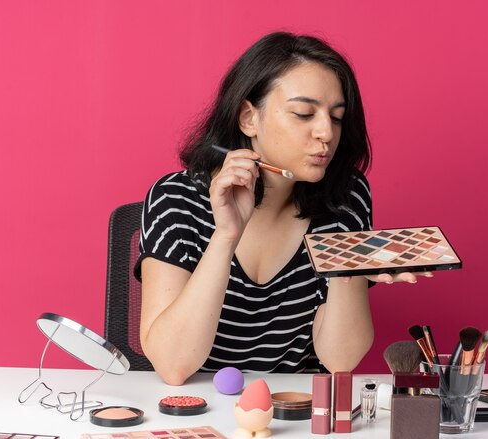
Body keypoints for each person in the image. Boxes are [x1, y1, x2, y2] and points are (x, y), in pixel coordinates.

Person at [135, 32, 430, 385]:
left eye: (336, 117)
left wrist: (346, 268)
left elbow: (340, 359)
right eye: (304, 113)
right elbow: (173, 365)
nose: (326, 132)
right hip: (198, 405)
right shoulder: (176, 199)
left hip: (298, 410)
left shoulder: (345, 198)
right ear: (248, 118)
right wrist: (226, 235)